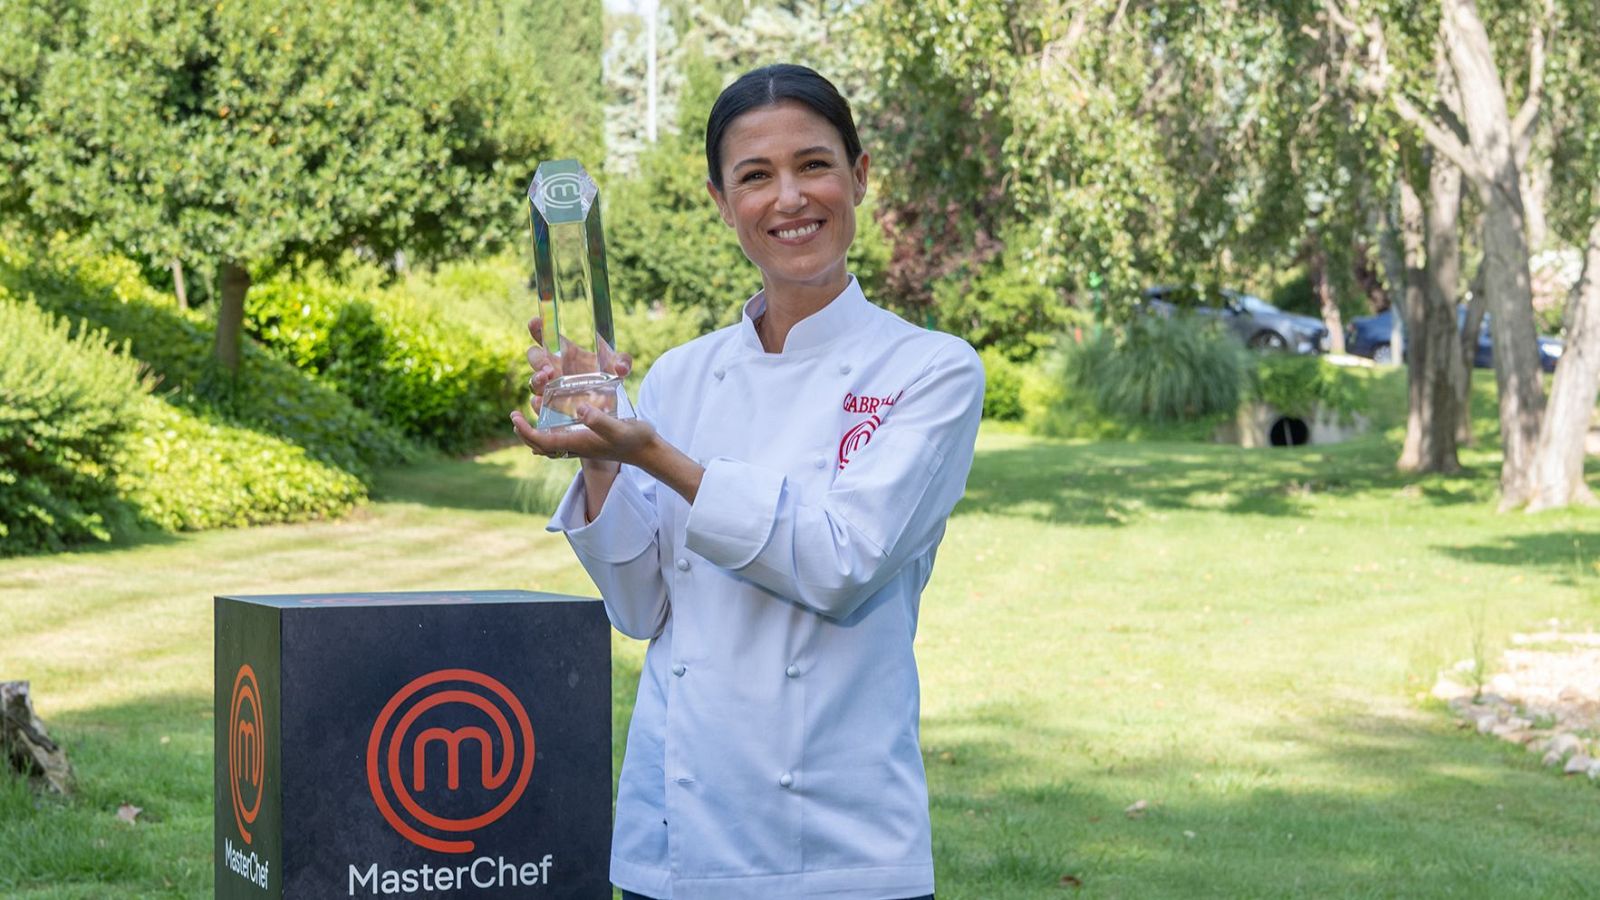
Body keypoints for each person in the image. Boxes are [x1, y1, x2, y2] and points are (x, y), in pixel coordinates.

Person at [511, 63, 983, 900]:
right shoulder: (683, 376)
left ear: (859, 176)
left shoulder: (929, 370)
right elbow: (640, 606)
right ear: (722, 204)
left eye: (813, 165)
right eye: (755, 177)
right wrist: (600, 451)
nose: (789, 198)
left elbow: (839, 565)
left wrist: (658, 457)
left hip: (843, 848)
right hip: (675, 843)